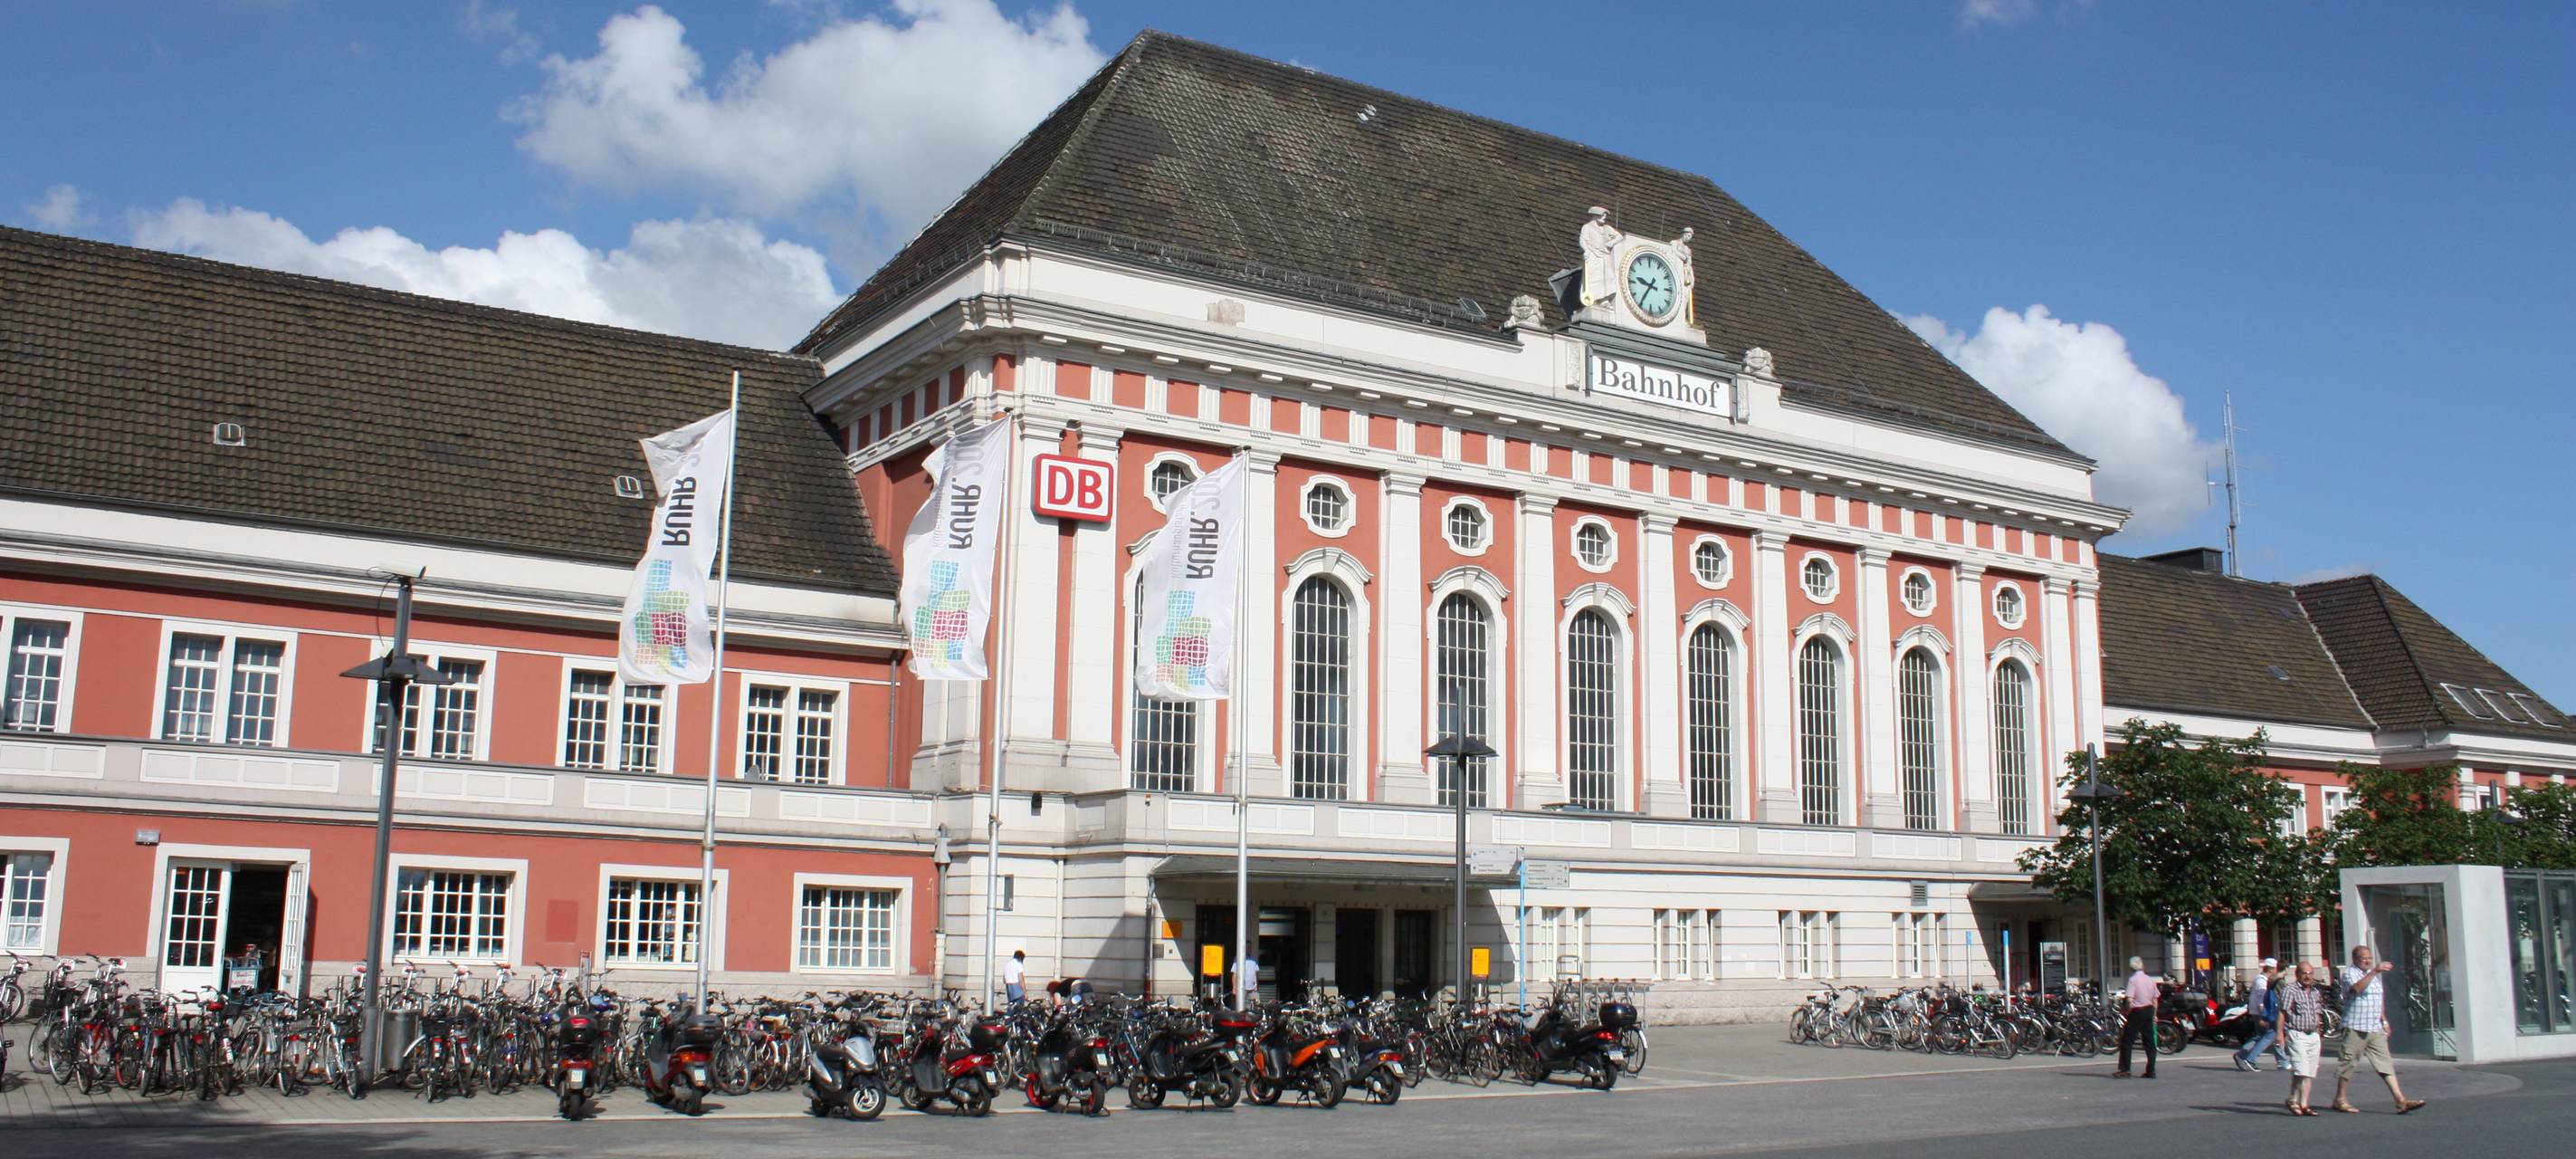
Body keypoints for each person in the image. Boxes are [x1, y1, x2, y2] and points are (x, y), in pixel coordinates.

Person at [2332, 946, 2426, 1114]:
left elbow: (2378, 998)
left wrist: (2383, 1019)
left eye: (2369, 958)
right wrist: (2374, 971)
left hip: (2374, 1026)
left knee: (2385, 1062)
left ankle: (2400, 1100)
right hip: (2356, 1025)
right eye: (2363, 958)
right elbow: (2358, 989)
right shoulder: (2350, 974)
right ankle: (2340, 1098)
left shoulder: (2374, 977)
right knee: (2348, 1062)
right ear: (2355, 959)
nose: (2367, 961)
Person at [2277, 960, 2327, 1115]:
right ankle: (2293, 1099)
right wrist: (2280, 1034)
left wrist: (2319, 1031)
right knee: (2301, 1070)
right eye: (2304, 973)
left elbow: (2318, 1013)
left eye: (2310, 973)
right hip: (2296, 1033)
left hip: (2313, 1035)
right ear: (2297, 974)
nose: (2307, 976)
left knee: (2310, 1072)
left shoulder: (2315, 992)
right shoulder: (2290, 990)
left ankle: (2303, 1104)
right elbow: (2282, 1013)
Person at [2113, 956, 2160, 1079]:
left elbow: (2129, 998)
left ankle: (2125, 1069)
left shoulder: (2133, 980)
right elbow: (2155, 999)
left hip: (2137, 1011)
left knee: (2127, 1040)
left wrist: (2127, 1010)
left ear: (2131, 967)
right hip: (2149, 1010)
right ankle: (2151, 1070)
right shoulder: (2150, 980)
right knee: (2149, 1042)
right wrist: (2154, 1015)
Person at [2234, 958, 2283, 1071]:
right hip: (2260, 1013)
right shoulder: (2262, 981)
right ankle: (2248, 1058)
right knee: (2268, 1035)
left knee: (2260, 1036)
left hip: (2257, 1012)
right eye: (2276, 968)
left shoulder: (2261, 979)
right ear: (2271, 969)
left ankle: (2242, 1055)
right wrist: (2264, 1016)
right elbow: (2262, 1000)